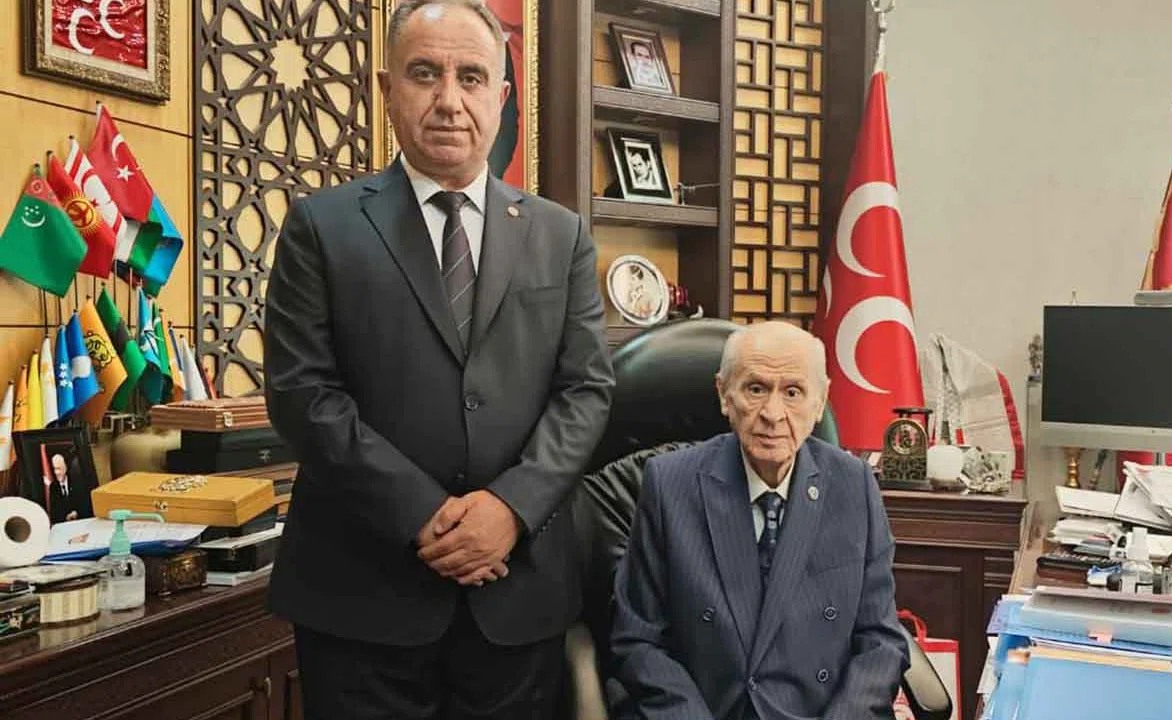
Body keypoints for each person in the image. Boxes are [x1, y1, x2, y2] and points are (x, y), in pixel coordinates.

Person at [262, 1, 614, 718]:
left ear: (501, 96)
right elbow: (303, 394)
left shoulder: (561, 235)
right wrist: (423, 514)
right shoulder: (321, 227)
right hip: (361, 597)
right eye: (425, 74)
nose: (450, 100)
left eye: (471, 77)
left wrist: (510, 510)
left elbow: (585, 391)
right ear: (388, 90)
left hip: (518, 592)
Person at [610, 321, 908, 720]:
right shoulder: (669, 484)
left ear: (820, 401)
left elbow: (880, 639)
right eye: (755, 389)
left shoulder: (853, 485)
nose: (772, 414)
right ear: (724, 394)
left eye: (793, 392)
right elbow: (638, 640)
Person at [45, 452, 88, 523]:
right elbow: (54, 515)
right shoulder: (53, 487)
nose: (56, 472)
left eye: (59, 469)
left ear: (66, 467)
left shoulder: (77, 483)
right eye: (54, 469)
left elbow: (86, 506)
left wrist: (77, 513)